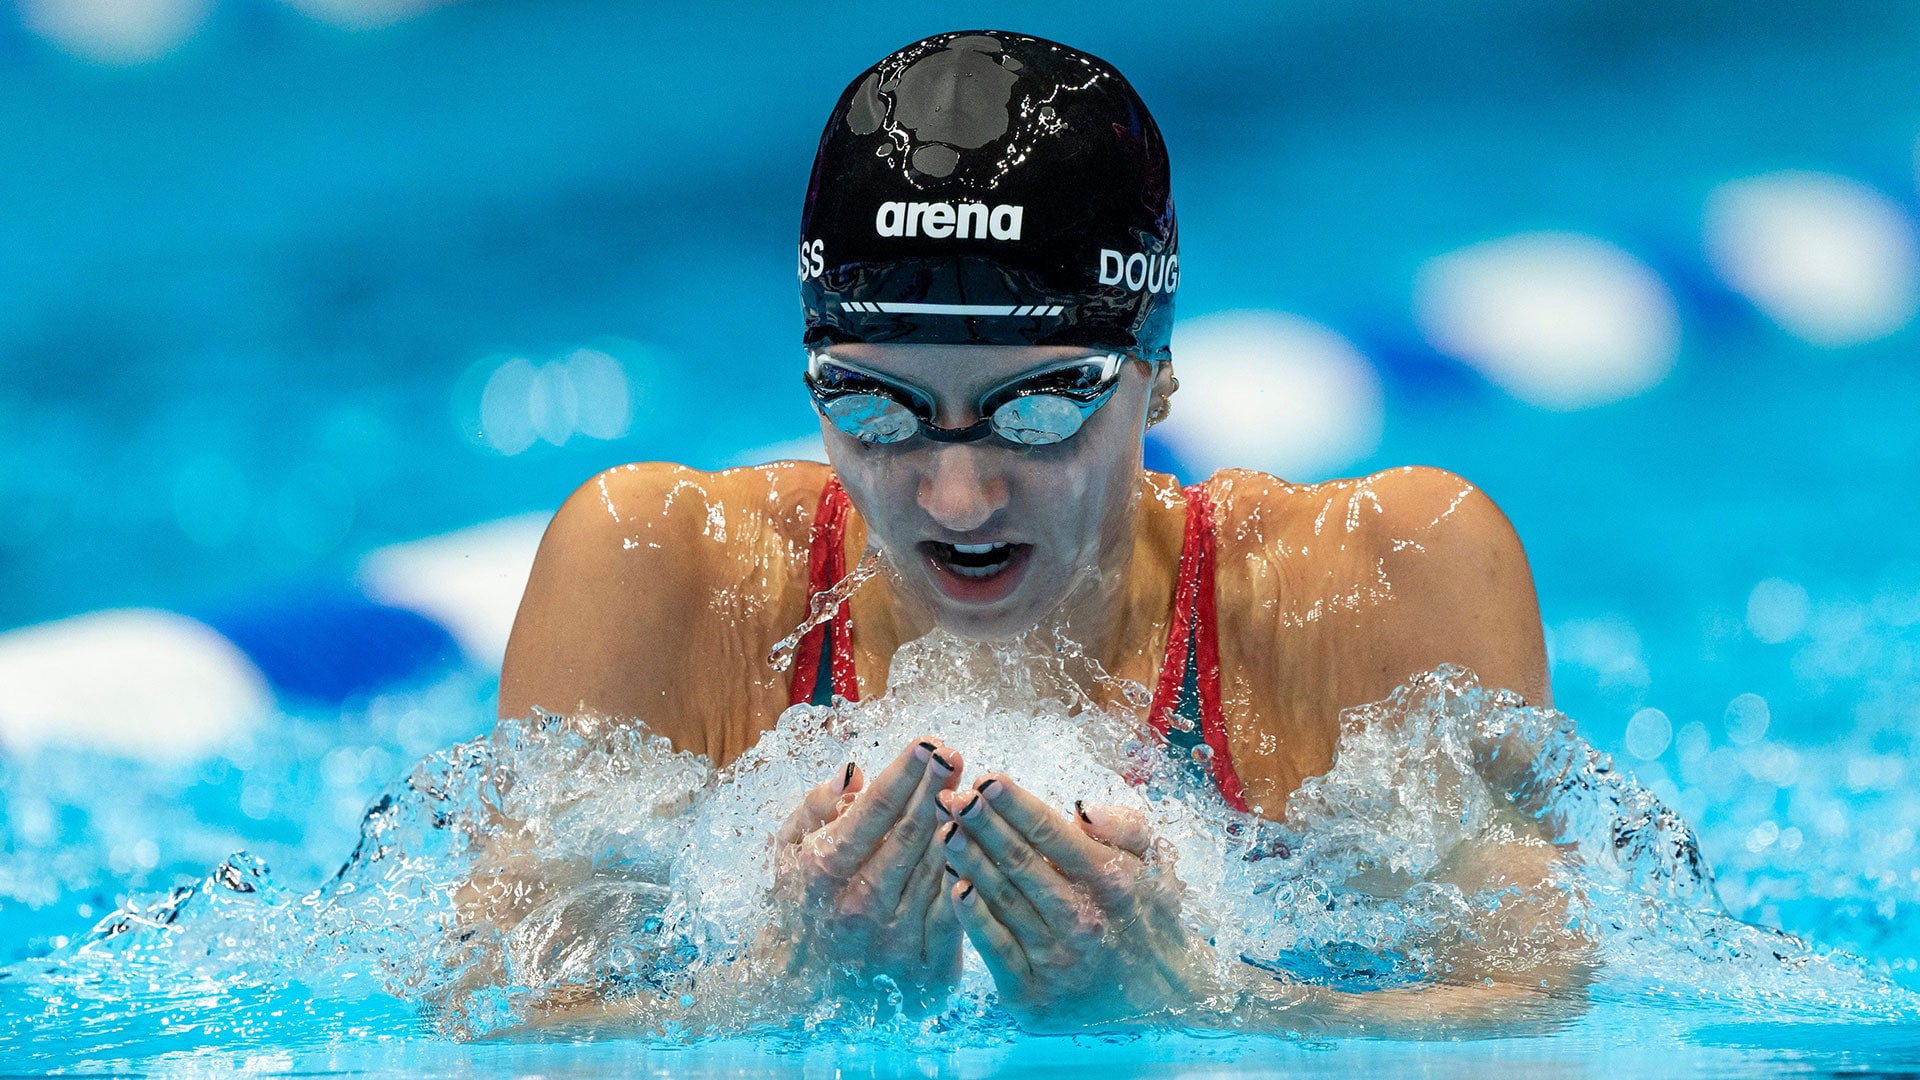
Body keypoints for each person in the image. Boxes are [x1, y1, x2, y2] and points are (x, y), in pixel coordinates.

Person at [498, 30, 1563, 1031]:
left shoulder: (1383, 581)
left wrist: (1193, 996)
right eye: (877, 408)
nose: (958, 499)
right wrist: (775, 990)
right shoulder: (656, 573)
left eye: (1039, 410)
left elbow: (1540, 1012)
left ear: (1157, 370)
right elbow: (491, 1021)